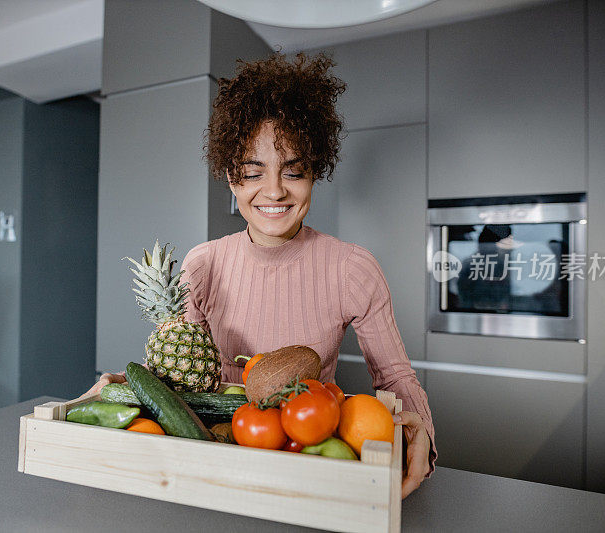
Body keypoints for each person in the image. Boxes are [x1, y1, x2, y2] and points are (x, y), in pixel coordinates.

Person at [84, 51, 437, 498]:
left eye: (294, 171)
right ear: (232, 179)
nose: (274, 191)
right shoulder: (203, 266)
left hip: (309, 461)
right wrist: (126, 385)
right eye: (253, 173)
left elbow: (394, 376)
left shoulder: (353, 267)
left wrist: (421, 431)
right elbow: (180, 383)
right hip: (215, 466)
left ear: (315, 174)